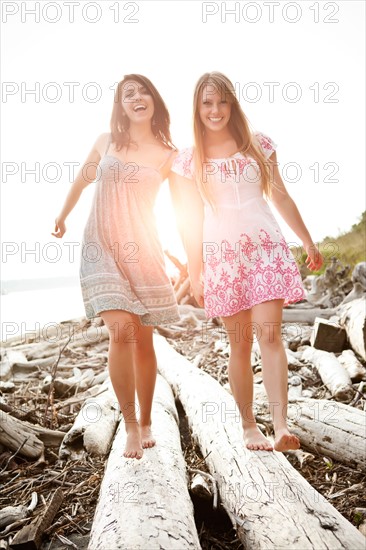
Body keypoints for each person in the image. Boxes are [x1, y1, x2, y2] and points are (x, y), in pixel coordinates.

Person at [170, 72, 323, 452]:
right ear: (197, 108)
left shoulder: (259, 145)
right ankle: (248, 426)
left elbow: (281, 196)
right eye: (207, 103)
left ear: (232, 104)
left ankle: (281, 425)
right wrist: (196, 272)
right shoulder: (189, 161)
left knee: (269, 335)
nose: (215, 110)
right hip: (222, 258)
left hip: (267, 249)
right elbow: (189, 222)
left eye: (222, 101)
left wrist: (306, 240)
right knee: (239, 344)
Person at [52, 74, 180, 460]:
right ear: (120, 105)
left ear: (154, 100)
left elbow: (188, 209)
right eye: (128, 94)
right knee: (120, 331)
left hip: (143, 250)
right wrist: (62, 215)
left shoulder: (169, 153)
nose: (137, 97)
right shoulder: (104, 141)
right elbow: (82, 179)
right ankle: (130, 426)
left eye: (143, 91)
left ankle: (147, 420)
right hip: (100, 246)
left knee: (143, 338)